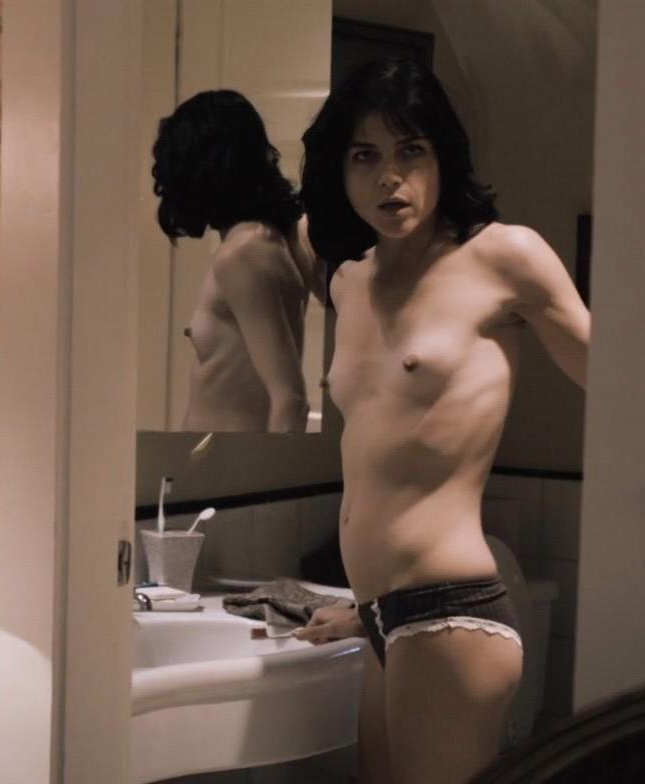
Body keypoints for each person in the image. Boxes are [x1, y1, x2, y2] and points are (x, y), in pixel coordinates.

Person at [289, 58, 590, 784]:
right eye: (365, 156)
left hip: (448, 610)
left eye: (410, 151)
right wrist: (365, 611)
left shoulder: (503, 256)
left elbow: (622, 389)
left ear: (443, 156)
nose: (389, 178)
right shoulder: (350, 280)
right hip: (379, 614)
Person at [151, 89, 316, 433]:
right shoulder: (281, 235)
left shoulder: (244, 252)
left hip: (226, 461)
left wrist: (267, 466)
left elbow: (290, 398)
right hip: (216, 460)